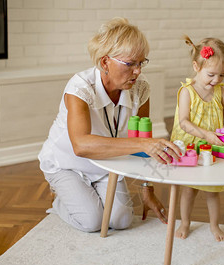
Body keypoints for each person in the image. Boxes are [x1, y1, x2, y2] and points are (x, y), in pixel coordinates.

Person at [38, 17, 181, 233]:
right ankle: (59, 201)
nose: (138, 71)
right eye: (130, 63)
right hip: (67, 163)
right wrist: (143, 144)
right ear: (105, 62)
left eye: (141, 62)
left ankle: (87, 195)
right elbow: (81, 145)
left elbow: (141, 146)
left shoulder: (140, 89)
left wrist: (147, 190)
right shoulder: (79, 87)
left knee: (122, 221)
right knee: (92, 221)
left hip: (106, 164)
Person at [171, 35, 224, 242]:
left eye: (222, 75)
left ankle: (214, 225)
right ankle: (185, 222)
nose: (216, 80)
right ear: (196, 66)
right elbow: (184, 122)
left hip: (212, 147)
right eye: (211, 74)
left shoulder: (220, 90)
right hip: (190, 146)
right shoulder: (187, 92)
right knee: (189, 190)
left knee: (213, 190)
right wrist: (206, 135)